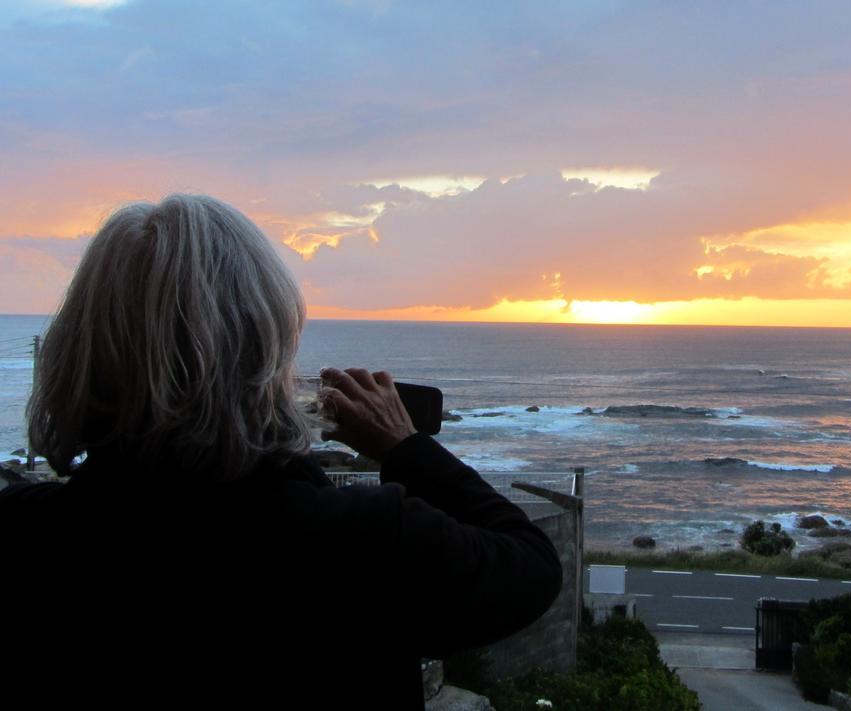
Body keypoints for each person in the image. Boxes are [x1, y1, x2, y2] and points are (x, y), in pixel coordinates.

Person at [0, 194, 562, 707]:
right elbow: (530, 567)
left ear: (78, 351)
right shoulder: (356, 540)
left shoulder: (26, 535)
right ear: (259, 351)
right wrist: (404, 446)